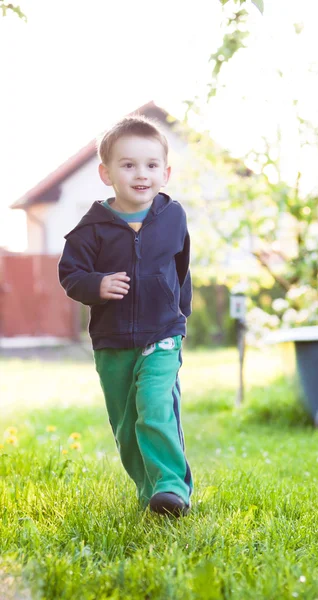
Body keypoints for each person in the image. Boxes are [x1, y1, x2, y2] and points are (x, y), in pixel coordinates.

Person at [58, 114, 193, 516]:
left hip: (163, 333)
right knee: (126, 423)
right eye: (128, 164)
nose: (141, 174)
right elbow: (70, 275)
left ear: (165, 173)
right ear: (106, 173)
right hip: (113, 339)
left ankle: (172, 486)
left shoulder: (173, 217)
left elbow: (181, 268)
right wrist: (95, 285)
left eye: (151, 165)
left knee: (155, 405)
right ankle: (150, 490)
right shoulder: (91, 229)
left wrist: (180, 315)